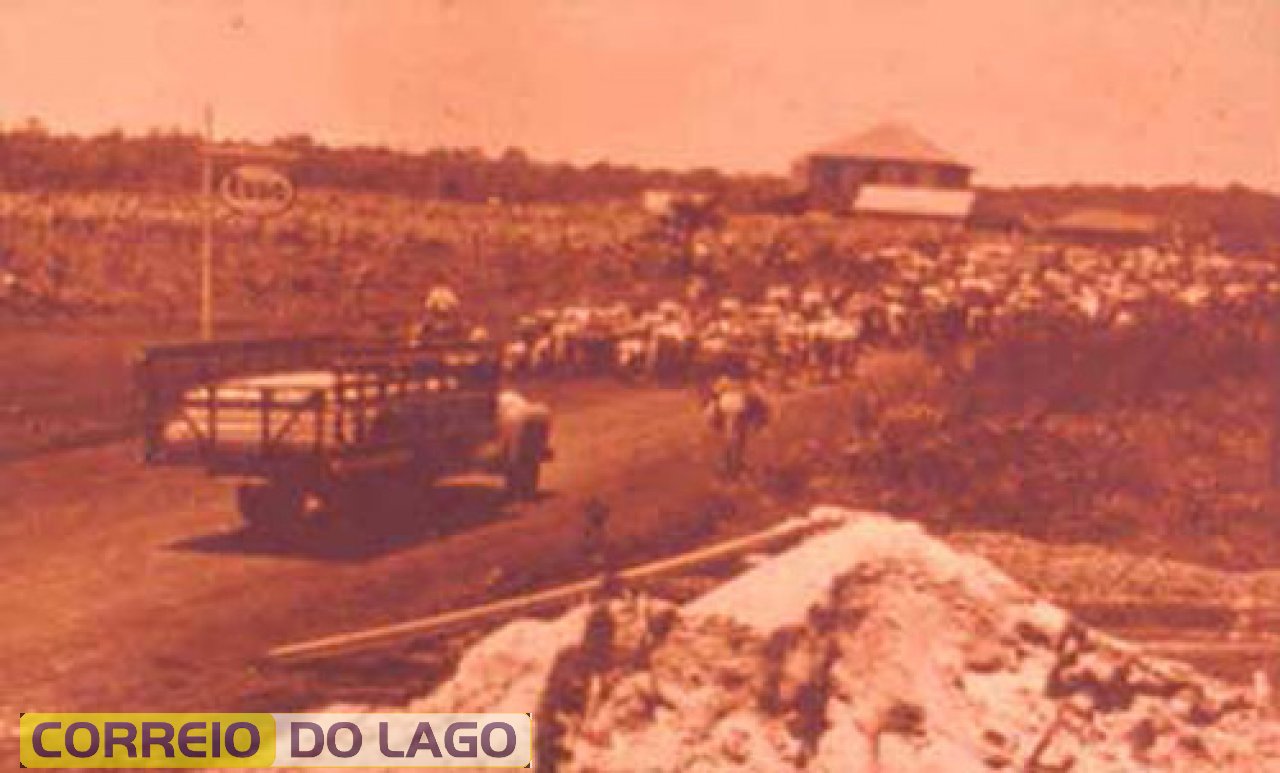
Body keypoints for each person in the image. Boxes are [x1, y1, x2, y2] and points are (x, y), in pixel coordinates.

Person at [704, 371, 772, 479]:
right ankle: (733, 464)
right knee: (737, 437)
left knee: (731, 437)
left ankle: (729, 463)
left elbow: (714, 394)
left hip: (727, 408)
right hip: (739, 409)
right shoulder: (747, 381)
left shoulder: (725, 380)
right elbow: (761, 398)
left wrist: (712, 407)